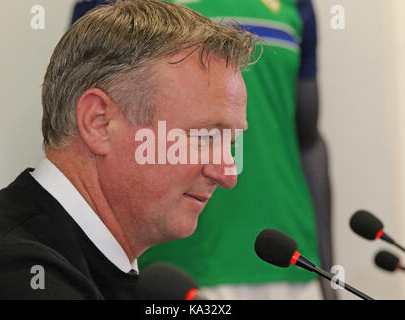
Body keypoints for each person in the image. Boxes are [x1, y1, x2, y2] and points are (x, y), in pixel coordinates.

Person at [0, 0, 256, 299]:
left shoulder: (93, 267)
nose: (228, 174)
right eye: (205, 137)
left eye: (231, 143)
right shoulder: (12, 277)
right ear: (98, 122)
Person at [139, 0, 336, 300]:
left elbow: (308, 142)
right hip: (176, 268)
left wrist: (328, 273)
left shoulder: (296, 6)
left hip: (287, 258)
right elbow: (90, 127)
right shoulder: (116, 8)